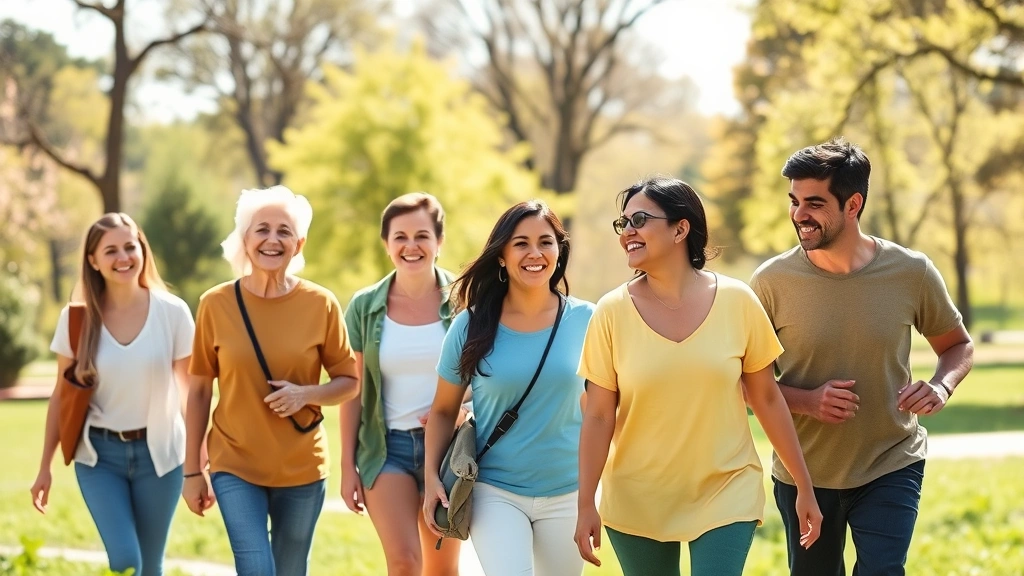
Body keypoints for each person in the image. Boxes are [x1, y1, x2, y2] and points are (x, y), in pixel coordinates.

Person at [574, 177, 822, 576]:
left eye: (639, 219)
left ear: (680, 228)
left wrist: (803, 485)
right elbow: (599, 415)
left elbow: (767, 397)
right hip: (638, 496)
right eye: (623, 224)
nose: (628, 233)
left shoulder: (738, 300)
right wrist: (586, 502)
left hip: (726, 489)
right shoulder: (611, 312)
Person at [750, 137, 974, 576]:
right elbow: (745, 380)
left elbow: (957, 345)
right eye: (794, 201)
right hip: (804, 473)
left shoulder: (911, 272)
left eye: (814, 203)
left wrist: (941, 385)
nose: (799, 215)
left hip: (891, 459)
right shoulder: (771, 283)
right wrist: (807, 401)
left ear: (853, 204)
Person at [182, 185, 360, 576]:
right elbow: (197, 391)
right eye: (261, 229)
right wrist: (192, 469)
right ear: (244, 238)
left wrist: (306, 394)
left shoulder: (321, 304)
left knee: (290, 570)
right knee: (256, 567)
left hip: (301, 466)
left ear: (298, 243)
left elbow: (350, 381)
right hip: (234, 461)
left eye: (284, 231)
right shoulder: (215, 304)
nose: (272, 239)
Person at [422, 200, 595, 576]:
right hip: (495, 490)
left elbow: (602, 410)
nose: (535, 254)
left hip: (568, 492)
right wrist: (430, 479)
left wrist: (593, 497)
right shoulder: (469, 326)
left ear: (558, 251)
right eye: (521, 243)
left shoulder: (589, 320)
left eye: (545, 242)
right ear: (501, 255)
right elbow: (442, 411)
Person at [30, 213, 195, 576]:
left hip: (162, 457)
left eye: (130, 246)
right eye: (111, 250)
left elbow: (190, 393)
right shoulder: (76, 319)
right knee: (125, 562)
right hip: (100, 459)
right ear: (93, 260)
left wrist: (202, 462)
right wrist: (45, 467)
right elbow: (61, 396)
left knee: (150, 566)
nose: (123, 258)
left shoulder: (173, 312)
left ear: (142, 250)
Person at [341, 192, 465, 576]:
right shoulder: (364, 306)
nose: (411, 246)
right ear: (387, 244)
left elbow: (487, 375)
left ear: (439, 242)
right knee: (405, 562)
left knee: (441, 569)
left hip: (447, 450)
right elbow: (353, 390)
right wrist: (347, 466)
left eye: (422, 236)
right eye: (400, 237)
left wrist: (466, 408)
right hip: (386, 449)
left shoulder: (465, 300)